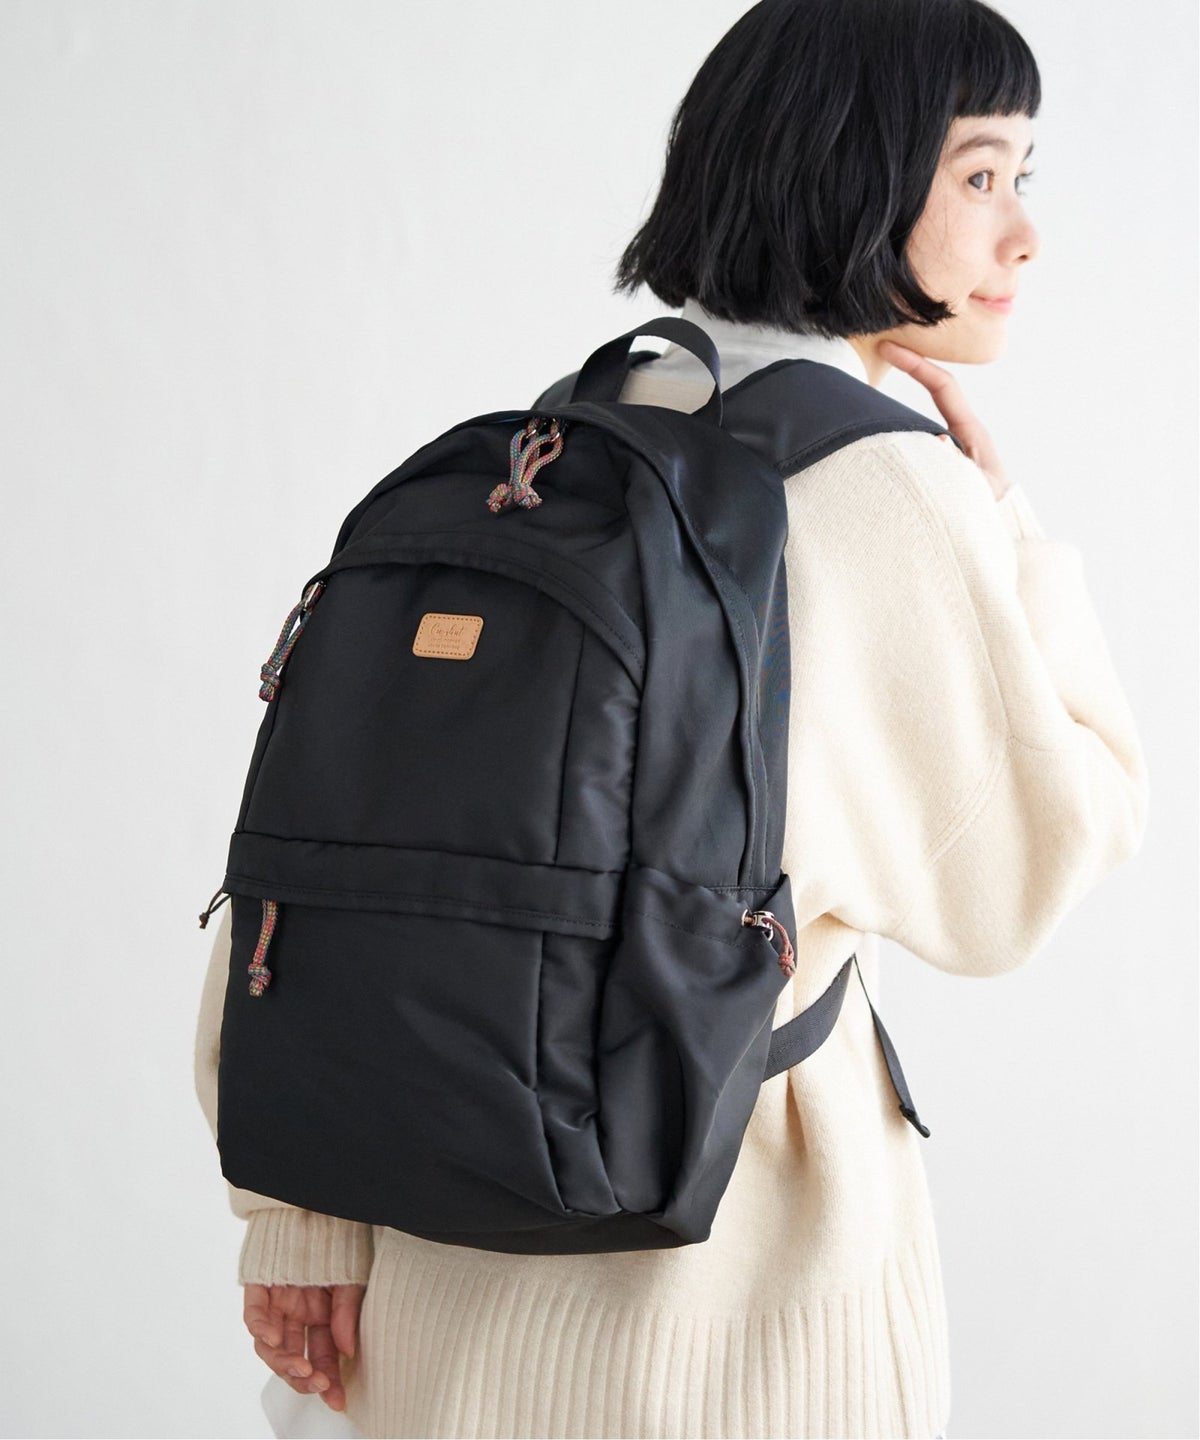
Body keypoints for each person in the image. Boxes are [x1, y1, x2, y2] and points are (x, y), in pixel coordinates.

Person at [193, 1, 1149, 1436]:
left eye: (1024, 178)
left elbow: (340, 841)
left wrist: (296, 1219)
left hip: (435, 1264)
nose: (1024, 235)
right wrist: (1010, 529)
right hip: (723, 1297)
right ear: (852, 167)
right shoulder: (891, 487)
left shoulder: (566, 439)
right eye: (980, 174)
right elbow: (1028, 873)